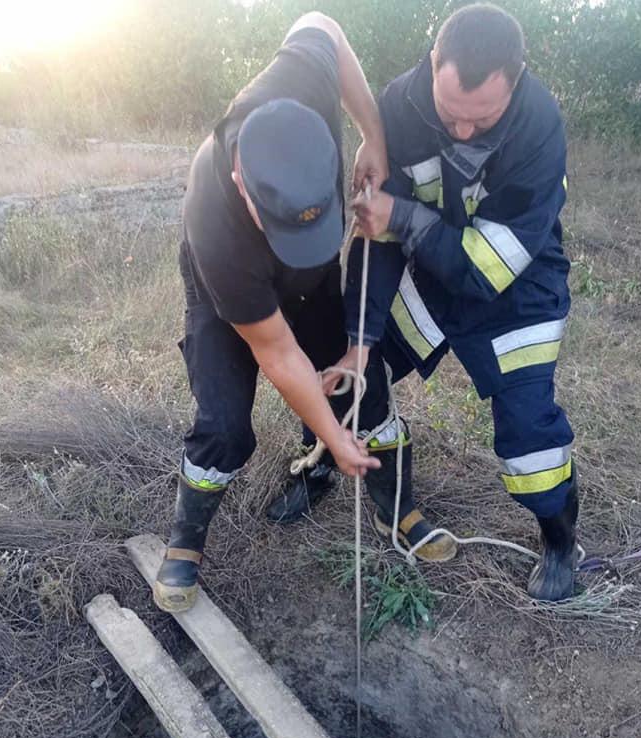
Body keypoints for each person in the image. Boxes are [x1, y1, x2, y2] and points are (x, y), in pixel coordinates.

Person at [153, 12, 451, 614]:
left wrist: (373, 135)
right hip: (226, 294)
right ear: (242, 183)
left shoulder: (299, 84)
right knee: (225, 421)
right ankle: (187, 540)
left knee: (355, 382)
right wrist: (332, 437)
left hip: (308, 280)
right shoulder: (219, 230)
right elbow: (279, 355)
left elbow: (324, 24)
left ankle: (399, 511)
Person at [327, 3, 579, 601]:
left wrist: (402, 217)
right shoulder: (397, 105)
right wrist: (360, 343)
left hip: (518, 292)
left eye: (482, 119)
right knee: (356, 373)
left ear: (514, 82)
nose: (463, 131)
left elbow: (491, 266)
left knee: (530, 438)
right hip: (437, 278)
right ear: (434, 63)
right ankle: (362, 481)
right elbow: (377, 234)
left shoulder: (541, 125)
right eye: (451, 115)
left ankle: (559, 541)